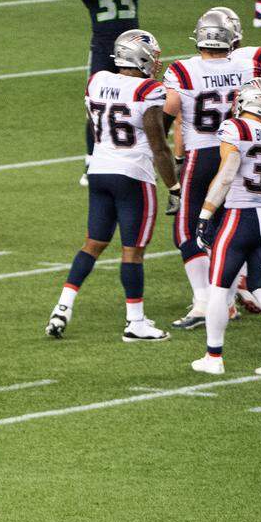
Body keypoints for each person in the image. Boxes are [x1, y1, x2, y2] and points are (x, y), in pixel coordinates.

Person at [45, 29, 175, 343]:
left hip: (100, 169)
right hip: (133, 173)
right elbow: (158, 145)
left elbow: (93, 123)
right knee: (133, 251)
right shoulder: (148, 90)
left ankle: (63, 306)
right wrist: (175, 187)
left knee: (93, 243)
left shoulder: (98, 80)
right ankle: (135, 322)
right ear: (141, 57)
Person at [163, 11, 261, 330]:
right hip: (238, 152)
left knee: (187, 230)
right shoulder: (245, 66)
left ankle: (205, 301)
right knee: (225, 228)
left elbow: (167, 116)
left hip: (202, 154)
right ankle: (227, 299)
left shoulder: (184, 70)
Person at [191, 78, 261, 376]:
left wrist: (205, 214)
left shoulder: (236, 128)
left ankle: (213, 357)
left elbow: (226, 175)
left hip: (240, 216)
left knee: (218, 287)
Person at [67, 0, 171, 186]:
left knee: (144, 102)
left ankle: (143, 156)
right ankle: (91, 159)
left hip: (135, 49)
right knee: (96, 104)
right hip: (103, 47)